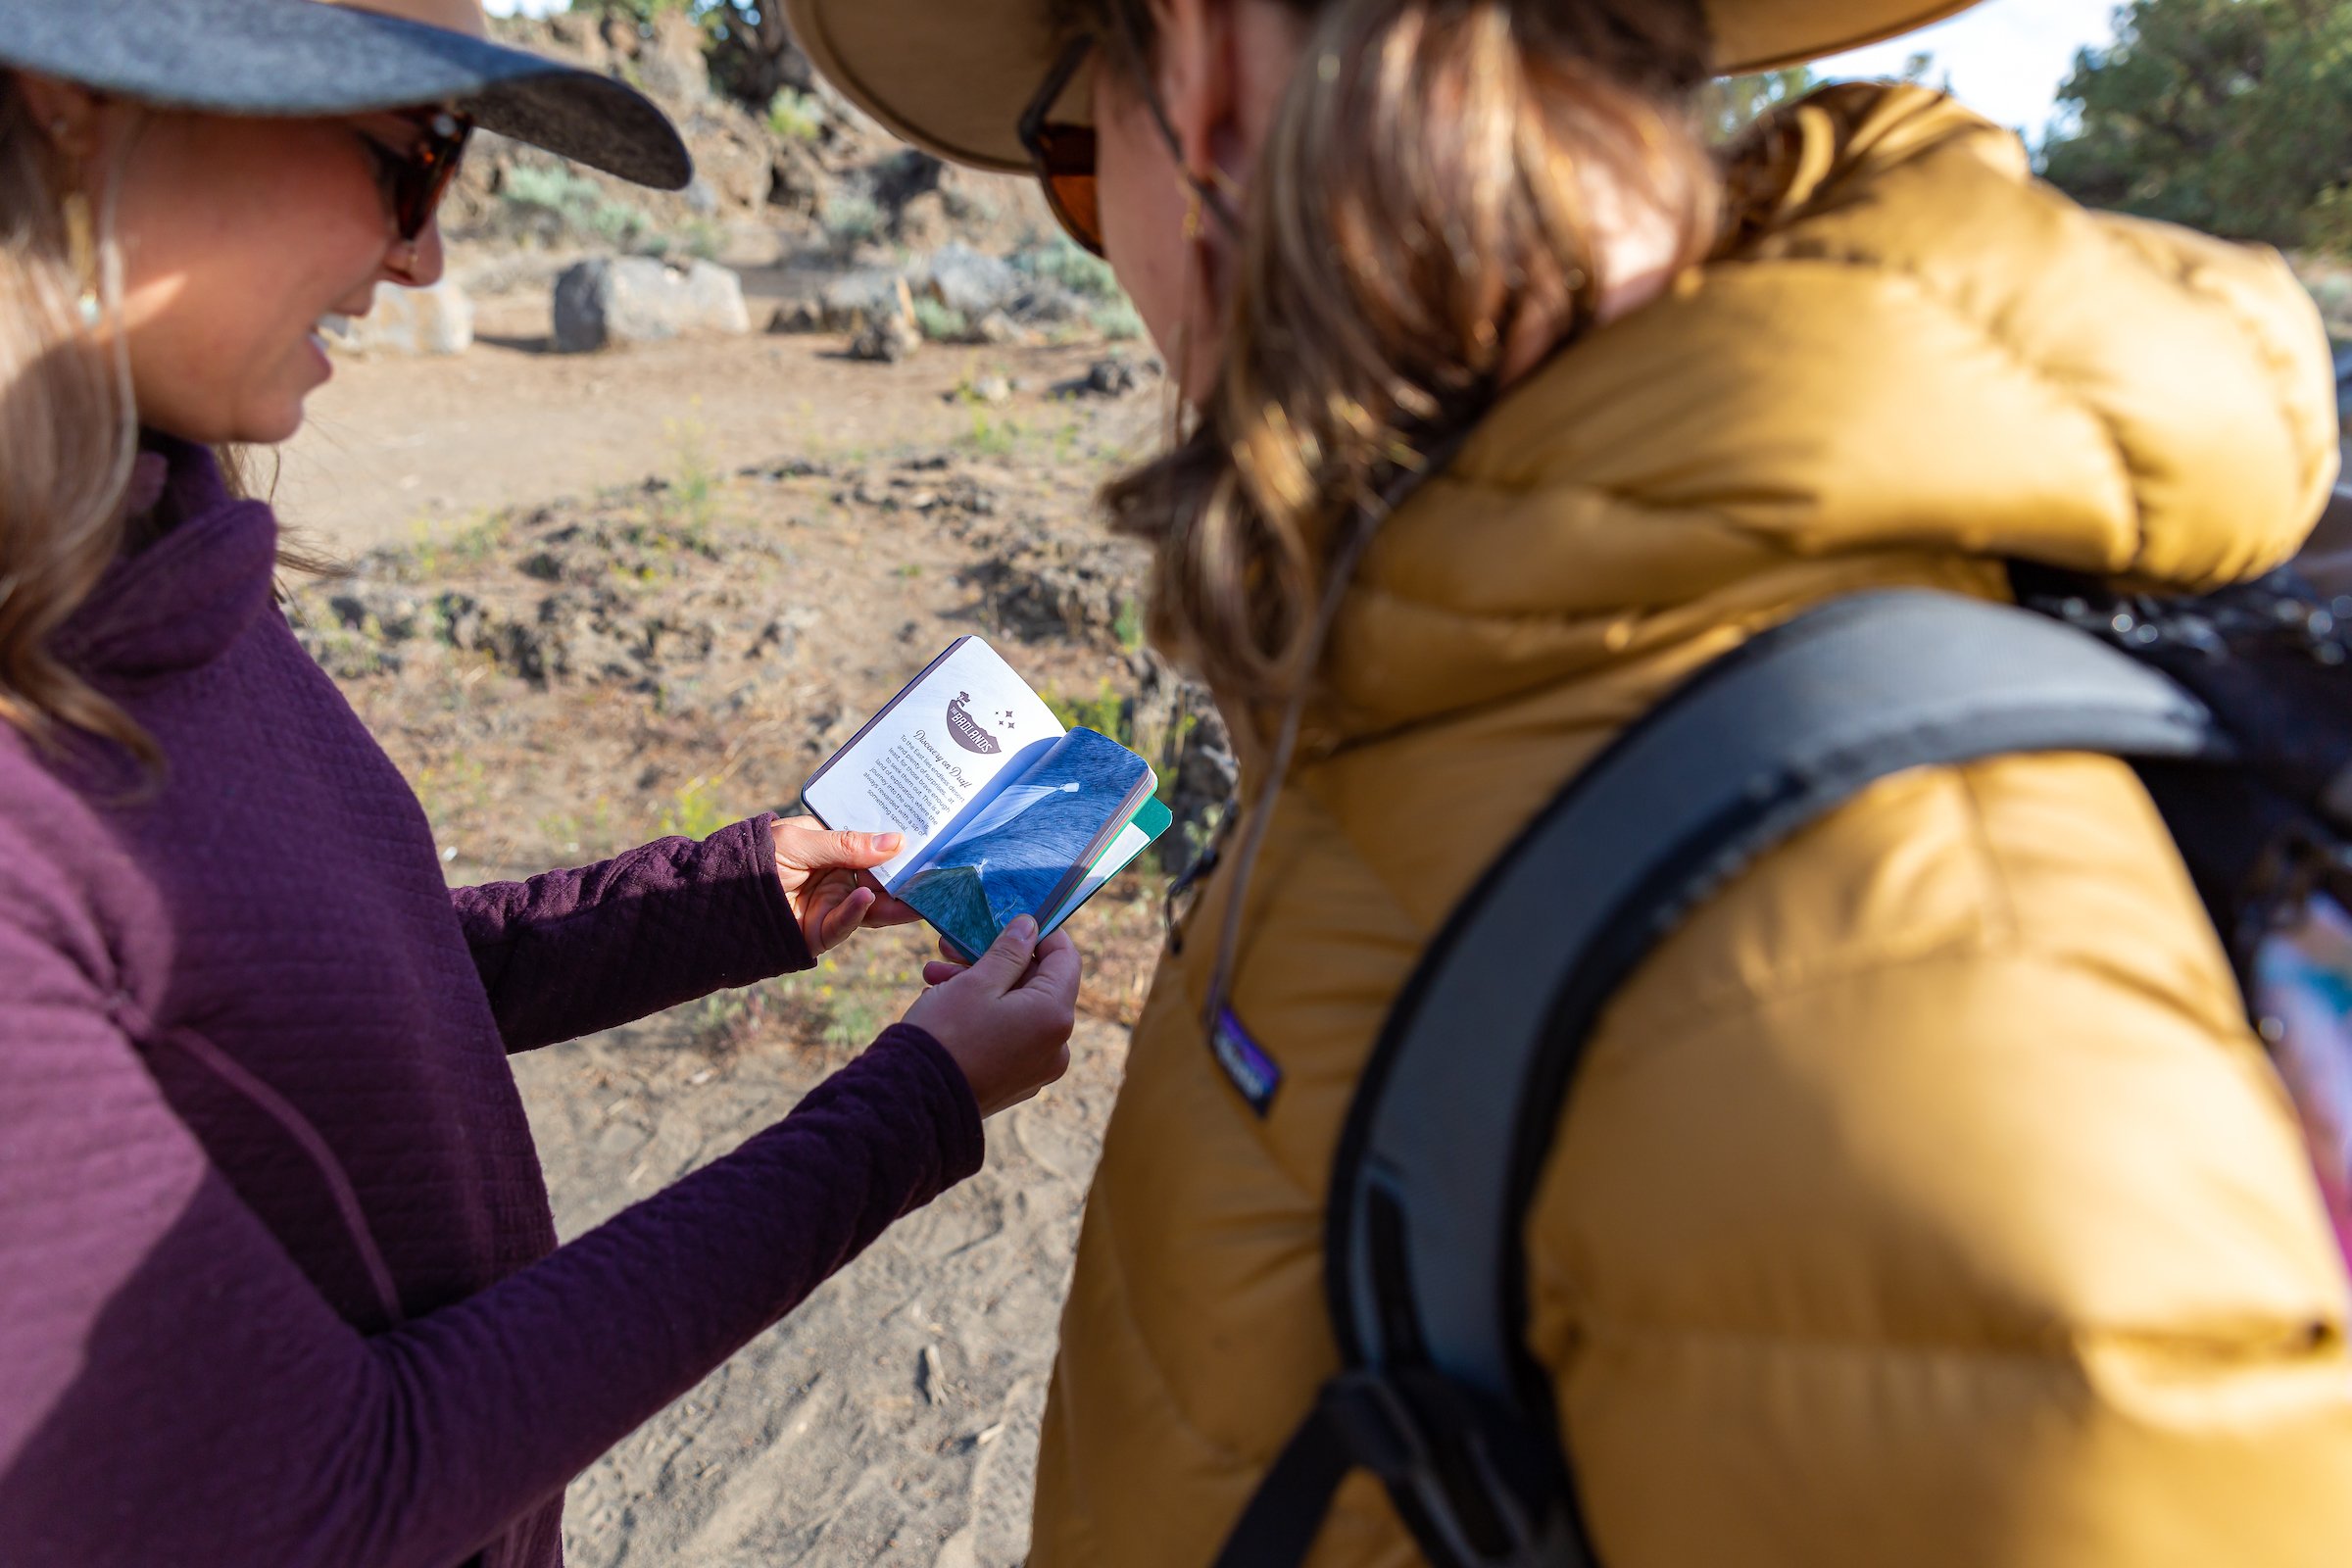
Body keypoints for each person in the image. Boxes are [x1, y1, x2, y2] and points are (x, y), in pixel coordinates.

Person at [794, 0, 2352, 1560]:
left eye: (1074, 156)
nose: (1103, 237)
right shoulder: (1458, 655)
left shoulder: (1904, 999)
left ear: (1202, 74)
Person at [0, 3, 1083, 1564]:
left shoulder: (152, 541)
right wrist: (908, 1108)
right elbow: (350, 1485)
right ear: (69, 107)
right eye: (416, 157)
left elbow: (354, 973)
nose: (426, 259)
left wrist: (735, 897)